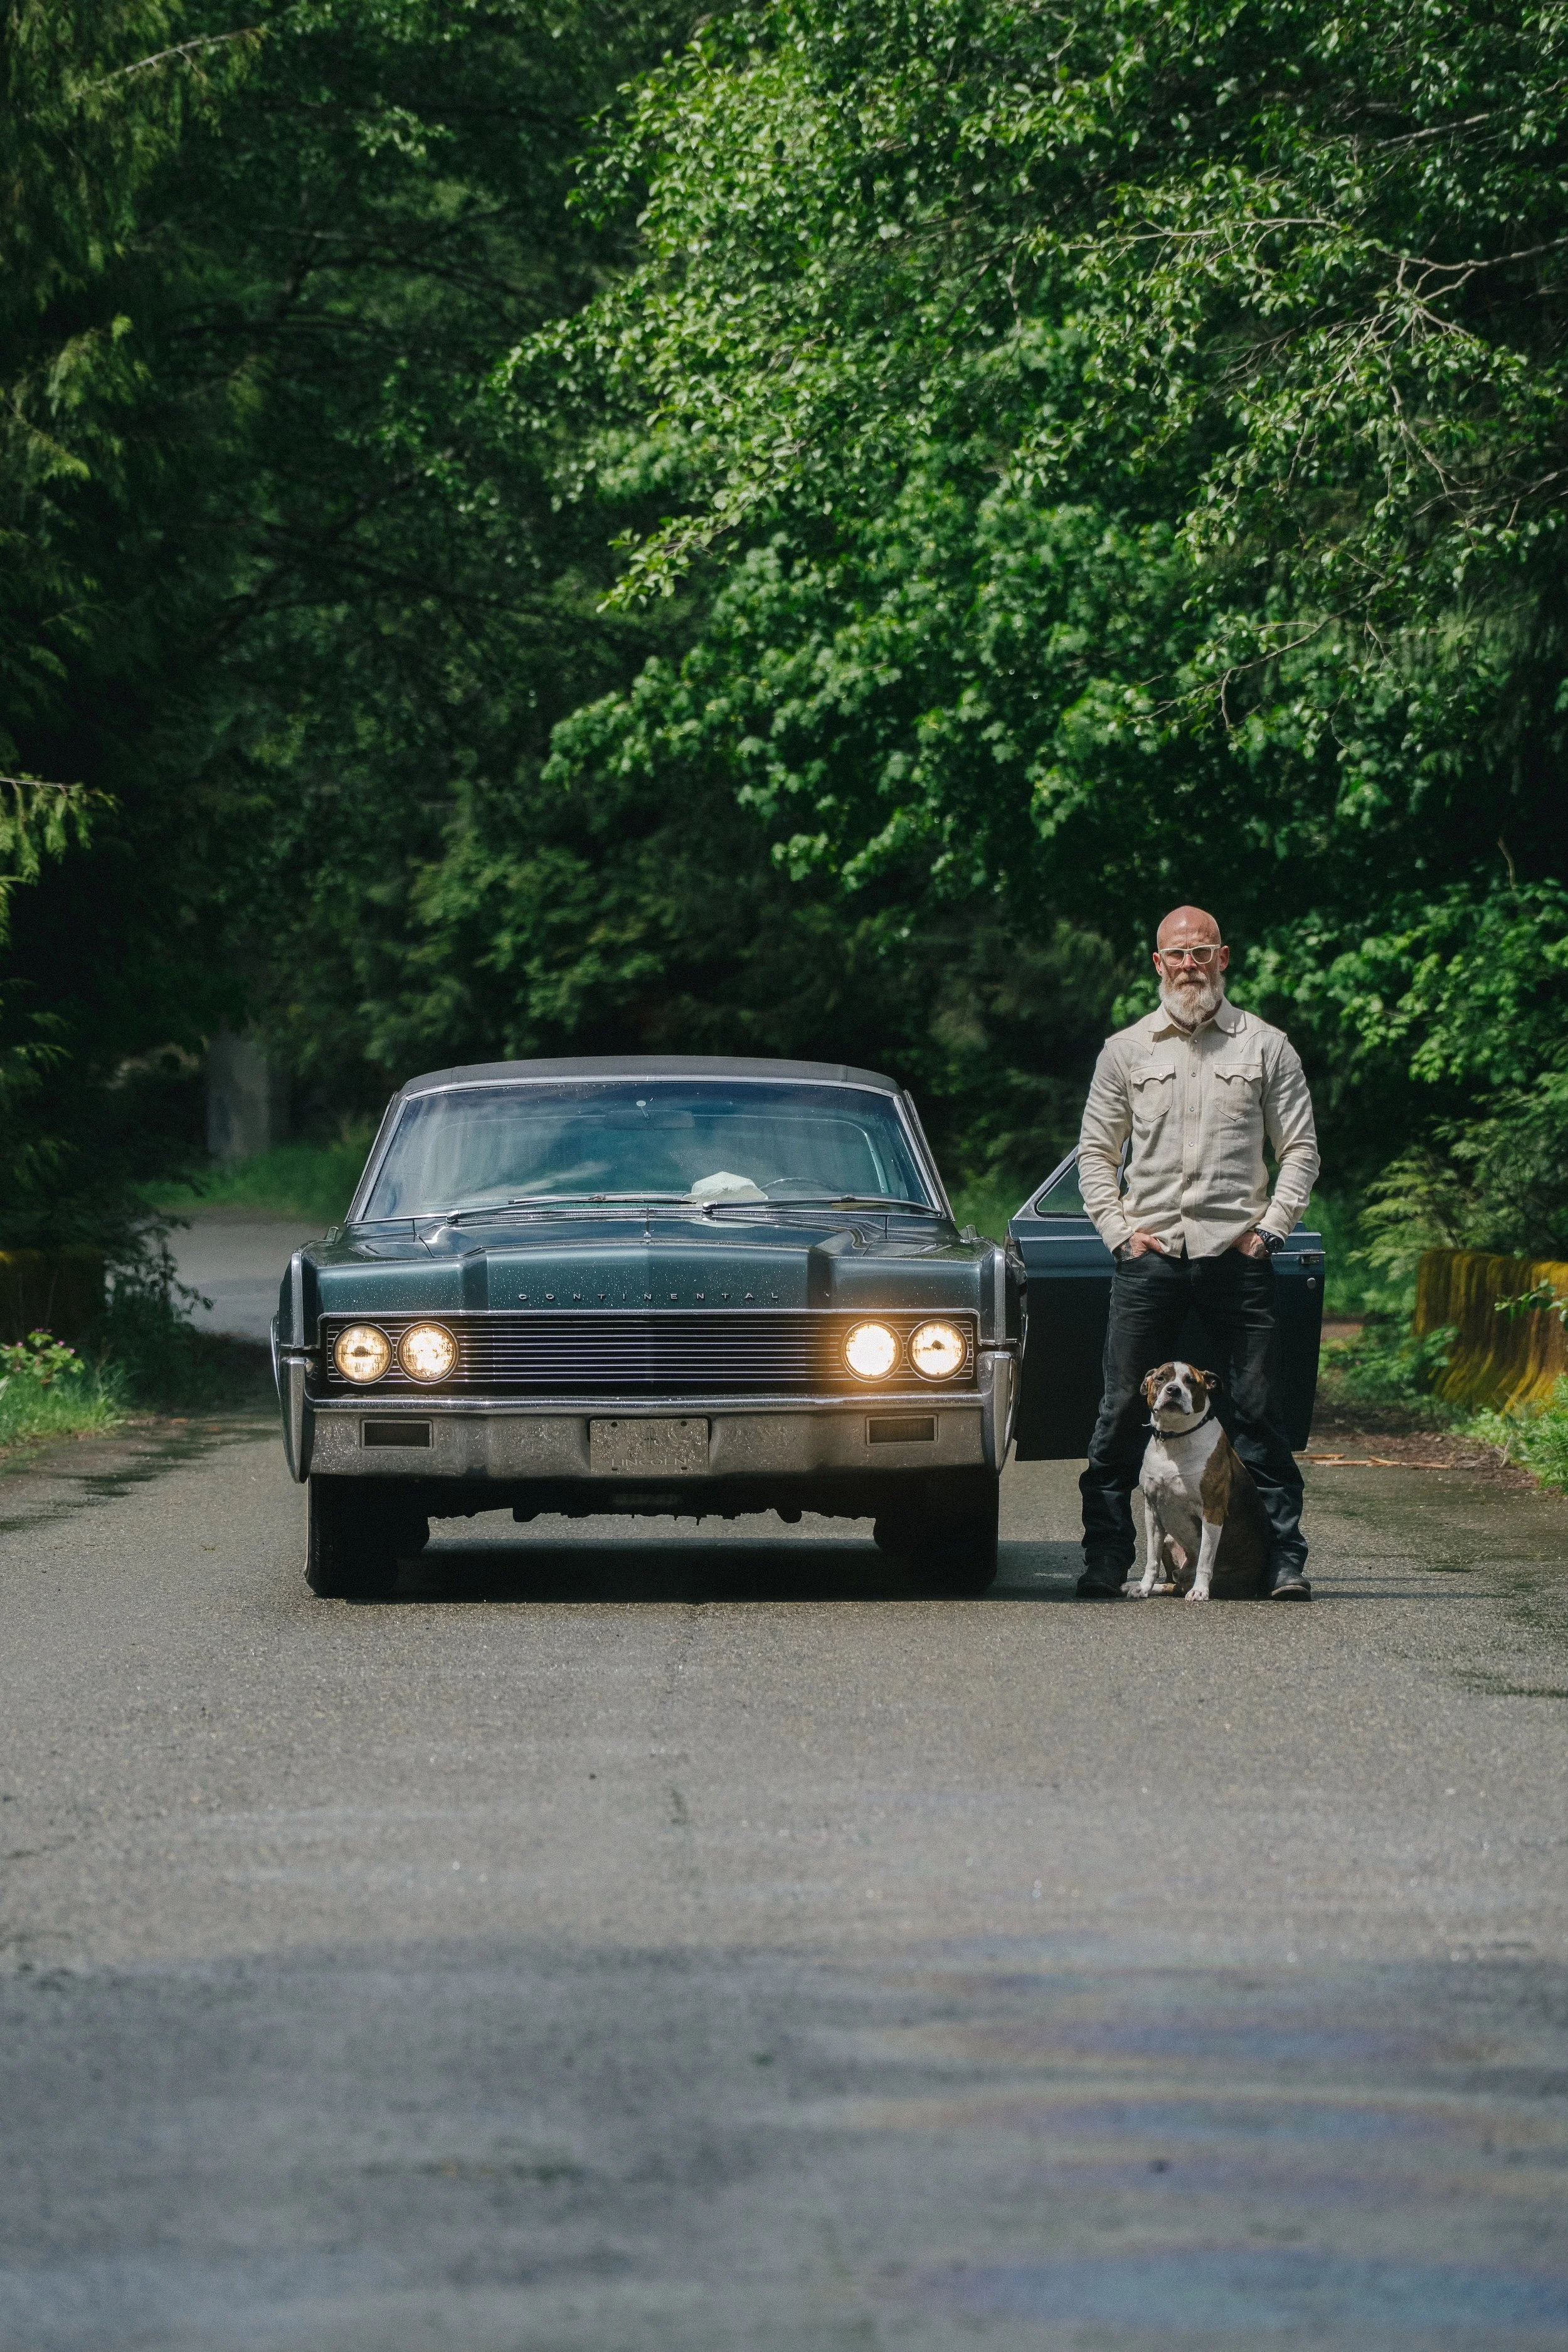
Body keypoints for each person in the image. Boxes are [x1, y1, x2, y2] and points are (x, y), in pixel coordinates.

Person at [1074, 905, 1320, 1601]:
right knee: (1119, 1413)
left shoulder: (1267, 1047)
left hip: (1236, 1257)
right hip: (1149, 1257)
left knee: (1257, 1412)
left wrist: (1271, 1231)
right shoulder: (1125, 1051)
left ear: (1223, 958)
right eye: (1177, 954)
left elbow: (1300, 1149)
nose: (1190, 965)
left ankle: (1282, 1560)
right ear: (1158, 964)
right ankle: (1107, 1557)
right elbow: (1095, 1154)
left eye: (1202, 952)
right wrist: (1120, 1234)